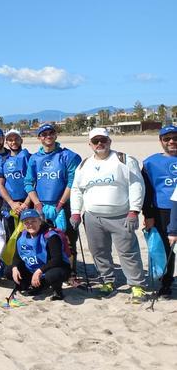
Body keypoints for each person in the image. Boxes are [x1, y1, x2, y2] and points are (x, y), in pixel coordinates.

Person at [70, 128, 145, 302]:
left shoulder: (124, 160)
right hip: (92, 217)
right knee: (99, 252)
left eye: (103, 140)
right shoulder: (84, 164)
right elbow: (77, 189)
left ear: (110, 141)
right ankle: (107, 281)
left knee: (128, 252)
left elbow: (137, 185)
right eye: (95, 141)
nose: (99, 144)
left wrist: (134, 210)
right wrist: (75, 213)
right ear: (90, 144)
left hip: (121, 216)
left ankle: (137, 286)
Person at [23, 123, 81, 278]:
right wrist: (36, 203)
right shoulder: (35, 158)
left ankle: (71, 272)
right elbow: (28, 183)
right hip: (41, 207)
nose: (47, 136)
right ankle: (48, 268)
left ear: (56, 135)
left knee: (68, 241)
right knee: (44, 239)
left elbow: (72, 182)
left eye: (51, 133)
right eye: (44, 134)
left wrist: (61, 203)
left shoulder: (68, 156)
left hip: (64, 205)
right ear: (39, 138)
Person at [141, 125, 177, 297]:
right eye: (167, 138)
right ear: (161, 141)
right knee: (165, 249)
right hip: (163, 211)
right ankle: (166, 282)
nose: (172, 141)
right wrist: (147, 215)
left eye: (175, 138)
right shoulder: (150, 162)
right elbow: (146, 192)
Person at [11, 209, 70, 301]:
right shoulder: (21, 236)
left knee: (52, 275)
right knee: (9, 270)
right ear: (23, 224)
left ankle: (57, 290)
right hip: (34, 267)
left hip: (56, 267)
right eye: (26, 222)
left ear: (40, 221)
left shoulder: (50, 236)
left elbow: (57, 260)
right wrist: (15, 268)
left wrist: (39, 271)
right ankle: (34, 286)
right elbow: (17, 257)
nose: (30, 224)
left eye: (33, 221)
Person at [0, 129, 32, 236]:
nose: (13, 142)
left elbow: (34, 182)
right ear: (6, 142)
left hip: (27, 202)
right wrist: (11, 203)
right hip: (9, 204)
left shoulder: (29, 157)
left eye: (16, 139)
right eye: (10, 140)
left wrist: (26, 203)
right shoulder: (3, 160)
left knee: (28, 233)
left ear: (21, 140)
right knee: (10, 235)